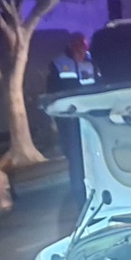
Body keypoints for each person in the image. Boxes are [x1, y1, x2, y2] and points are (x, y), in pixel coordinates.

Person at [47, 32, 96, 211]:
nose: (82, 52)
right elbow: (52, 93)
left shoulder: (91, 63)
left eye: (84, 48)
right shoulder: (59, 64)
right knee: (76, 162)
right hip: (70, 124)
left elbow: (97, 87)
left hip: (89, 121)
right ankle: (80, 200)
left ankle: (94, 195)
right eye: (79, 48)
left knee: (93, 159)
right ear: (72, 46)